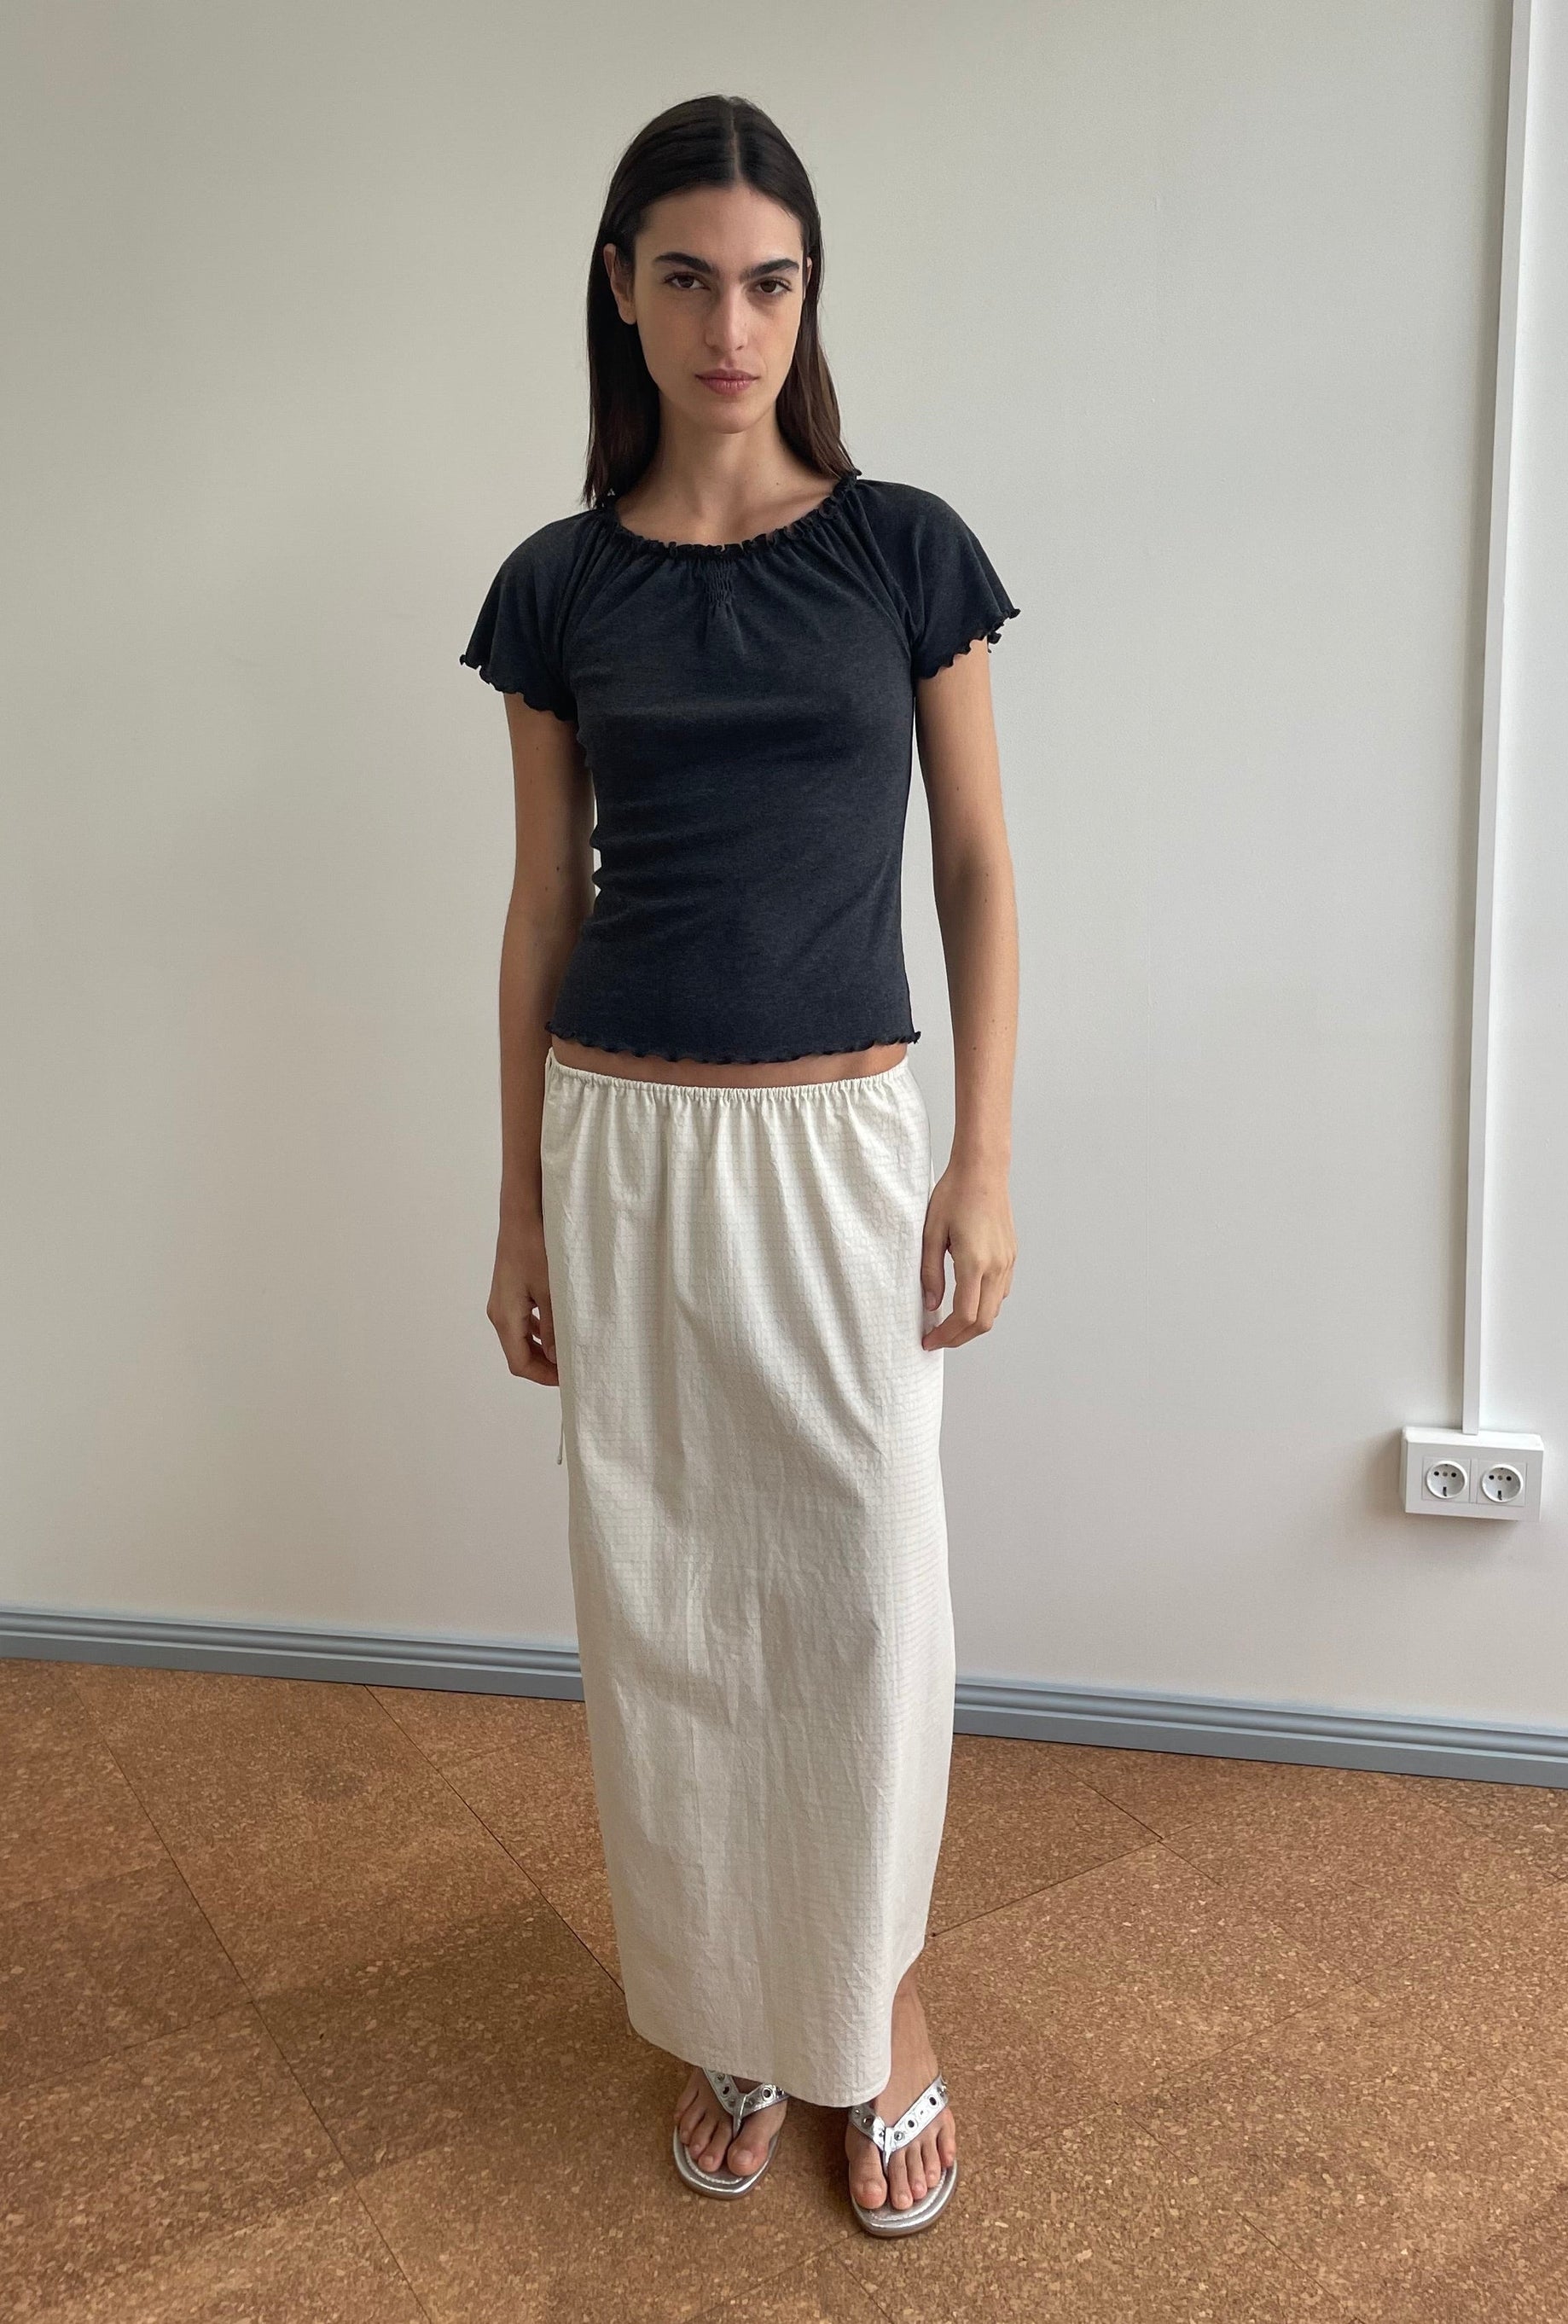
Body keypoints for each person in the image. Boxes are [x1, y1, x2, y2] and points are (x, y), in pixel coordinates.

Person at [462, 92, 1019, 2236]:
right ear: (621, 288)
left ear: (809, 299)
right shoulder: (557, 585)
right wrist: (514, 1204)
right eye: (685, 276)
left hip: (842, 1150)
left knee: (867, 1602)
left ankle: (867, 2012)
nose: (730, 323)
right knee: (672, 1605)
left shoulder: (903, 555)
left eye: (769, 281)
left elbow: (973, 863)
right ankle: (723, 2003)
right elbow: (534, 910)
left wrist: (981, 1155)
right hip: (621, 1146)